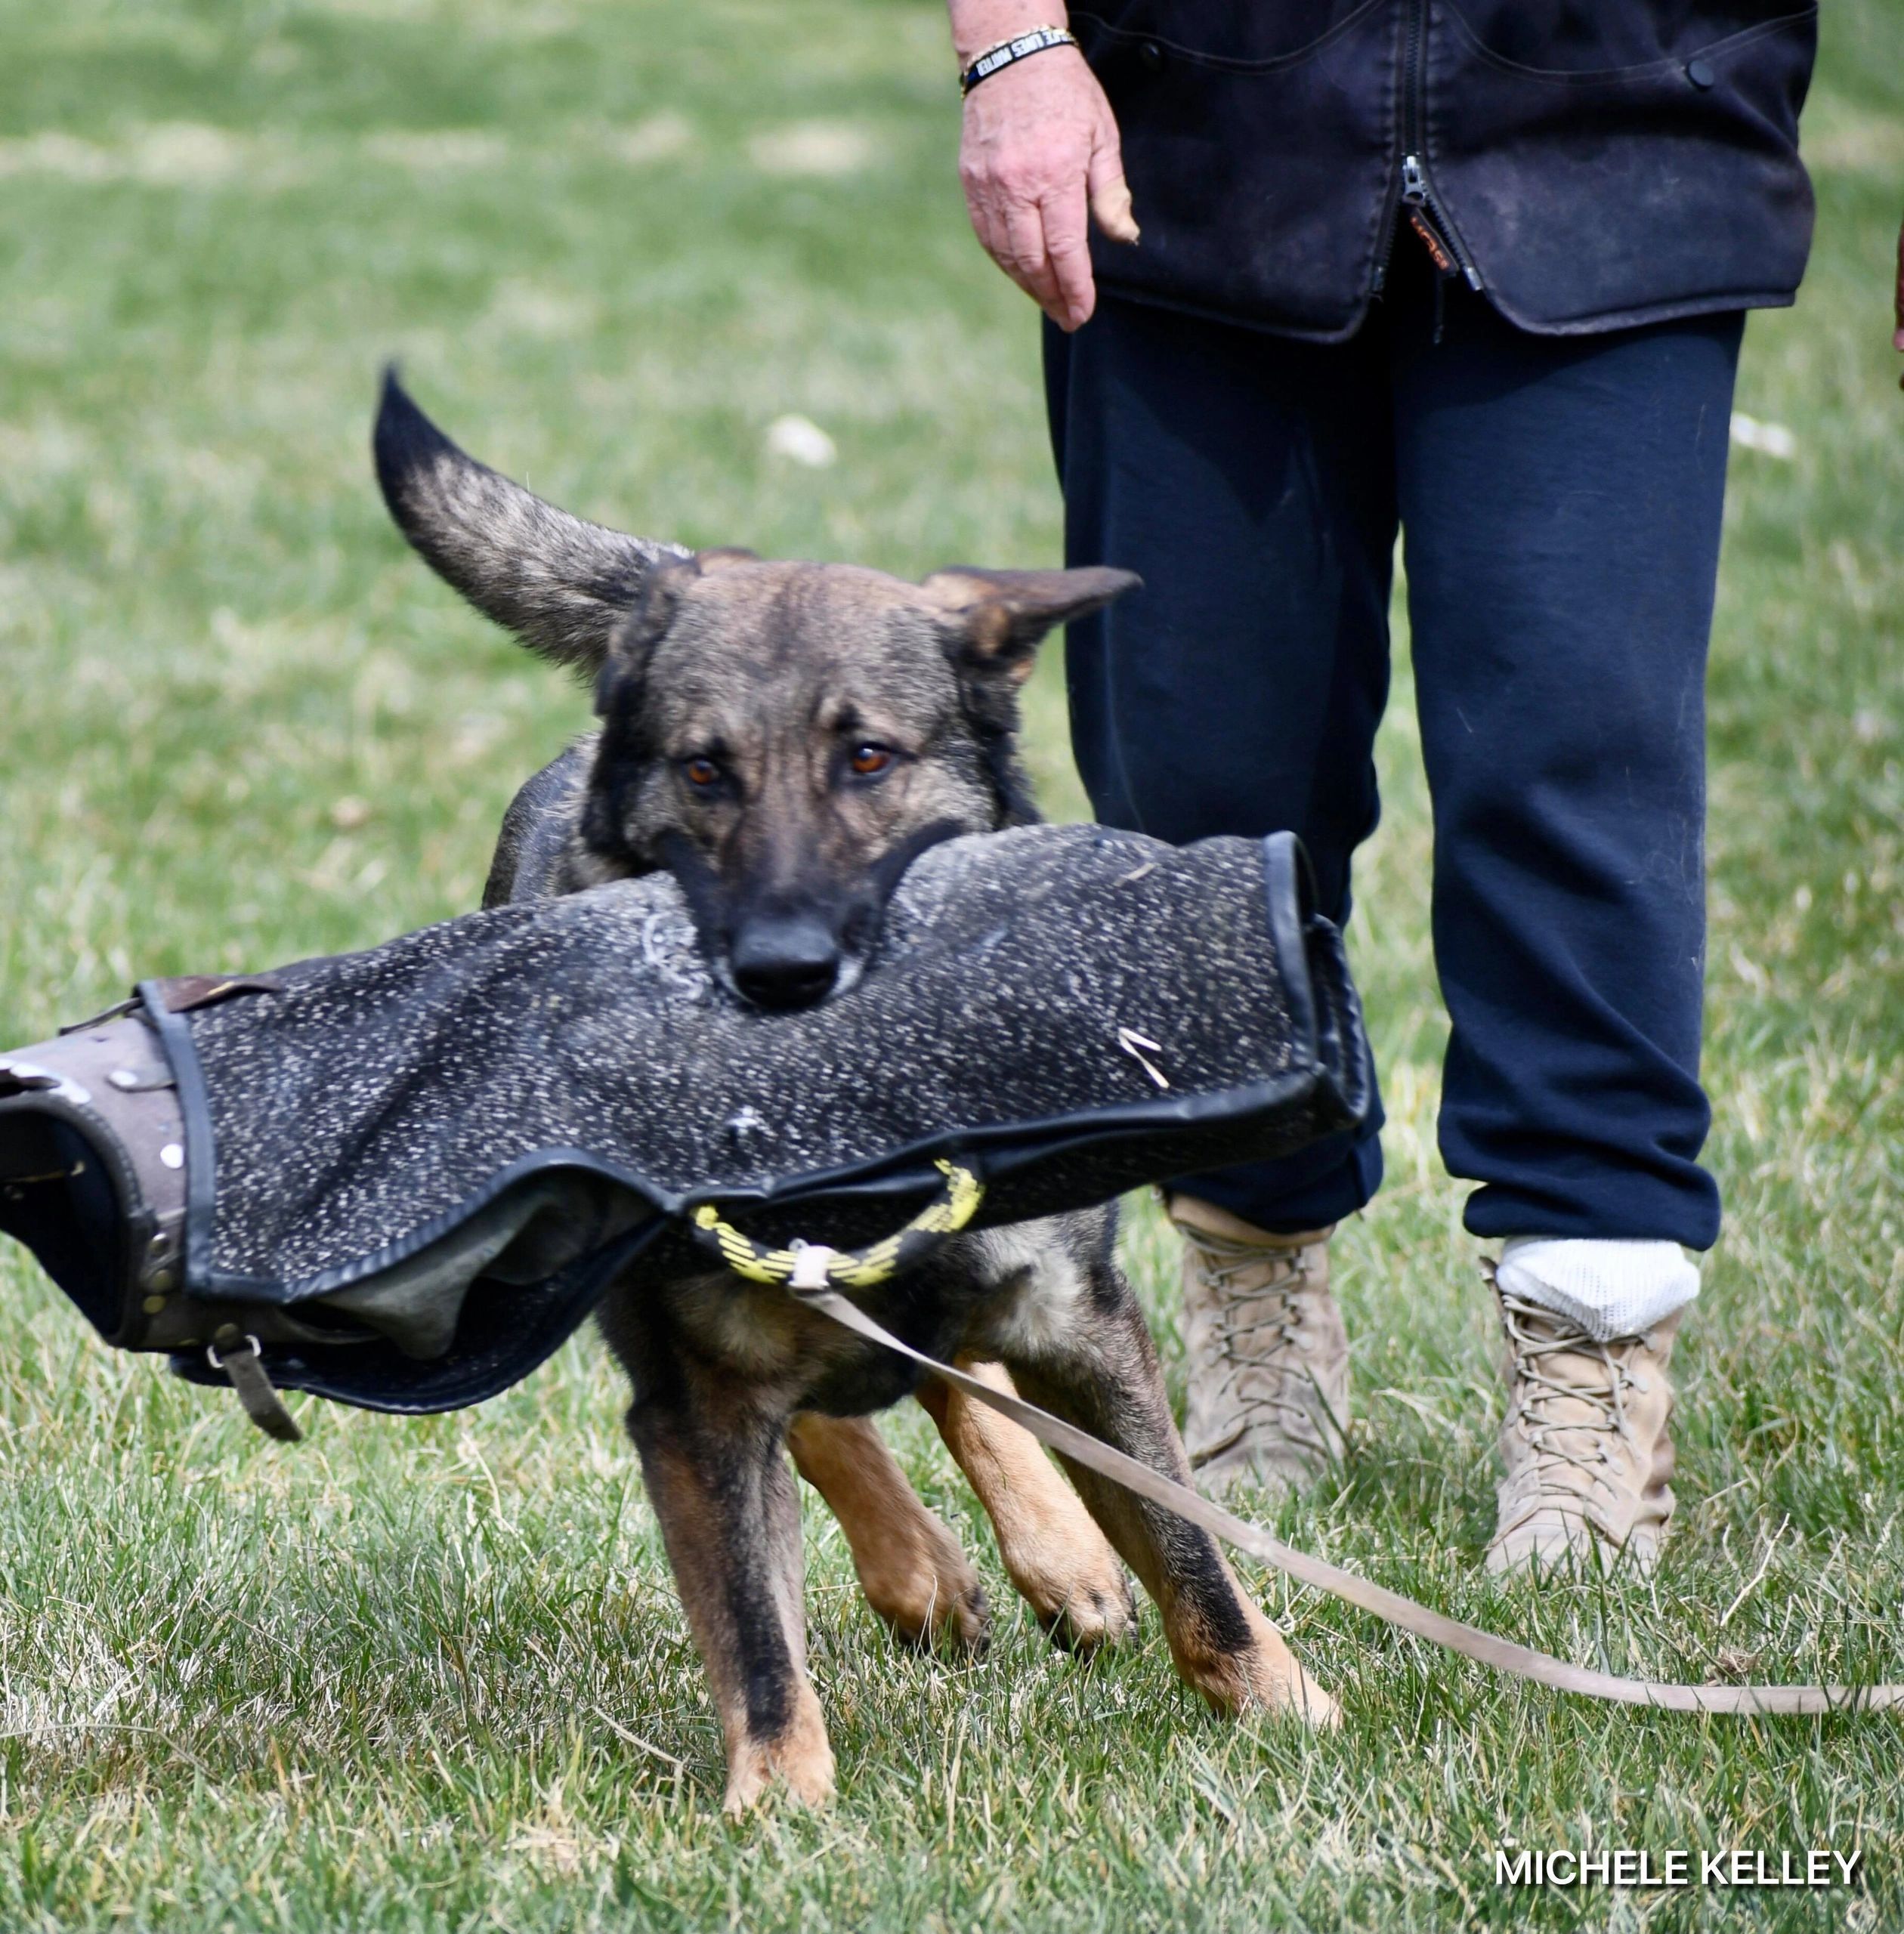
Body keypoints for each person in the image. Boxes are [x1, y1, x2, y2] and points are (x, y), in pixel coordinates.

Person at [941, 0, 1865, 1573]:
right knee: (1197, 775)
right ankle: (1248, 1248)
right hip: (1198, 127)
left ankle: (1592, 1342)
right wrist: (1016, 43)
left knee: (1574, 768)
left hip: (1627, 112)